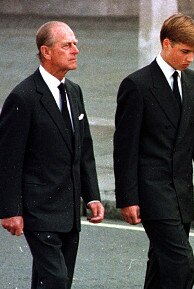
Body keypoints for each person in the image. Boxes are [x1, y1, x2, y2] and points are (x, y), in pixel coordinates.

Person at [113, 13, 194, 289]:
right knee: (181, 265)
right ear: (166, 44)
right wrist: (127, 198)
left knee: (161, 267)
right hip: (152, 193)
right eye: (185, 51)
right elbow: (124, 148)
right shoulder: (137, 85)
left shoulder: (192, 81)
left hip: (181, 193)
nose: (190, 59)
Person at [0, 21, 104, 289]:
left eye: (75, 44)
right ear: (46, 52)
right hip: (39, 209)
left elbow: (84, 149)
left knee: (56, 281)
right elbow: (8, 159)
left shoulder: (74, 92)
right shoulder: (24, 97)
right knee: (56, 280)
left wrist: (91, 195)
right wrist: (10, 210)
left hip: (68, 210)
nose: (75, 50)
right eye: (67, 45)